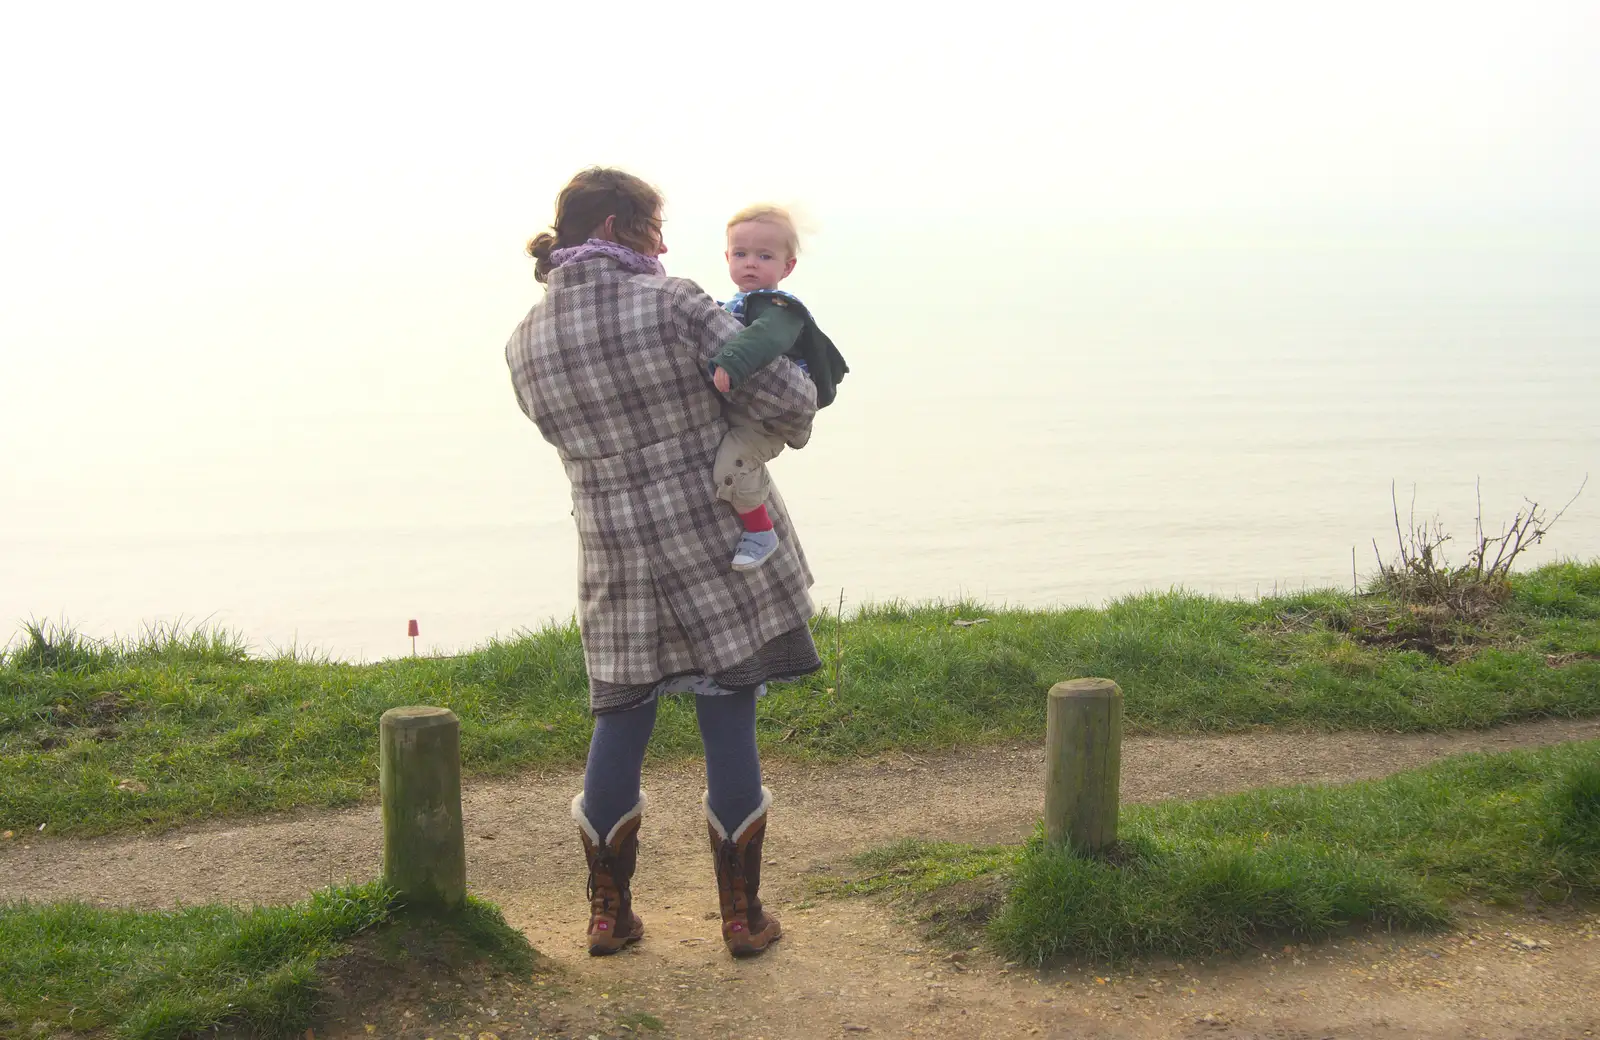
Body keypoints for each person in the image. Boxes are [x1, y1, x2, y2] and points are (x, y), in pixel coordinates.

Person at [504, 167, 823, 959]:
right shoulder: (675, 301)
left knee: (621, 720)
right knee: (728, 717)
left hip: (613, 553)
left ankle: (608, 915)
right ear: (614, 228)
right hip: (716, 540)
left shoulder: (524, 343)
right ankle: (743, 918)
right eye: (653, 228)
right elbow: (789, 399)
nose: (665, 244)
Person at [706, 205, 848, 572]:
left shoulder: (780, 309)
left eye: (764, 256)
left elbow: (765, 337)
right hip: (749, 411)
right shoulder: (734, 305)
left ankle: (760, 531)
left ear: (787, 267)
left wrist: (731, 362)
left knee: (732, 463)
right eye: (740, 254)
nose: (750, 263)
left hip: (771, 418)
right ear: (727, 258)